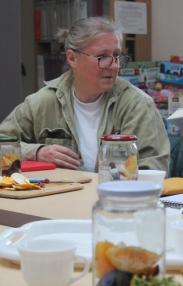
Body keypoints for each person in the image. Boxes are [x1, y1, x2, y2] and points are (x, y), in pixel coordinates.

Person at [0, 16, 170, 173]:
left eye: (116, 56)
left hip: (116, 201)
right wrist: (36, 153)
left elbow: (153, 170)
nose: (114, 66)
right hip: (55, 199)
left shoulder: (136, 105)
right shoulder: (42, 102)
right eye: (102, 56)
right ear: (72, 58)